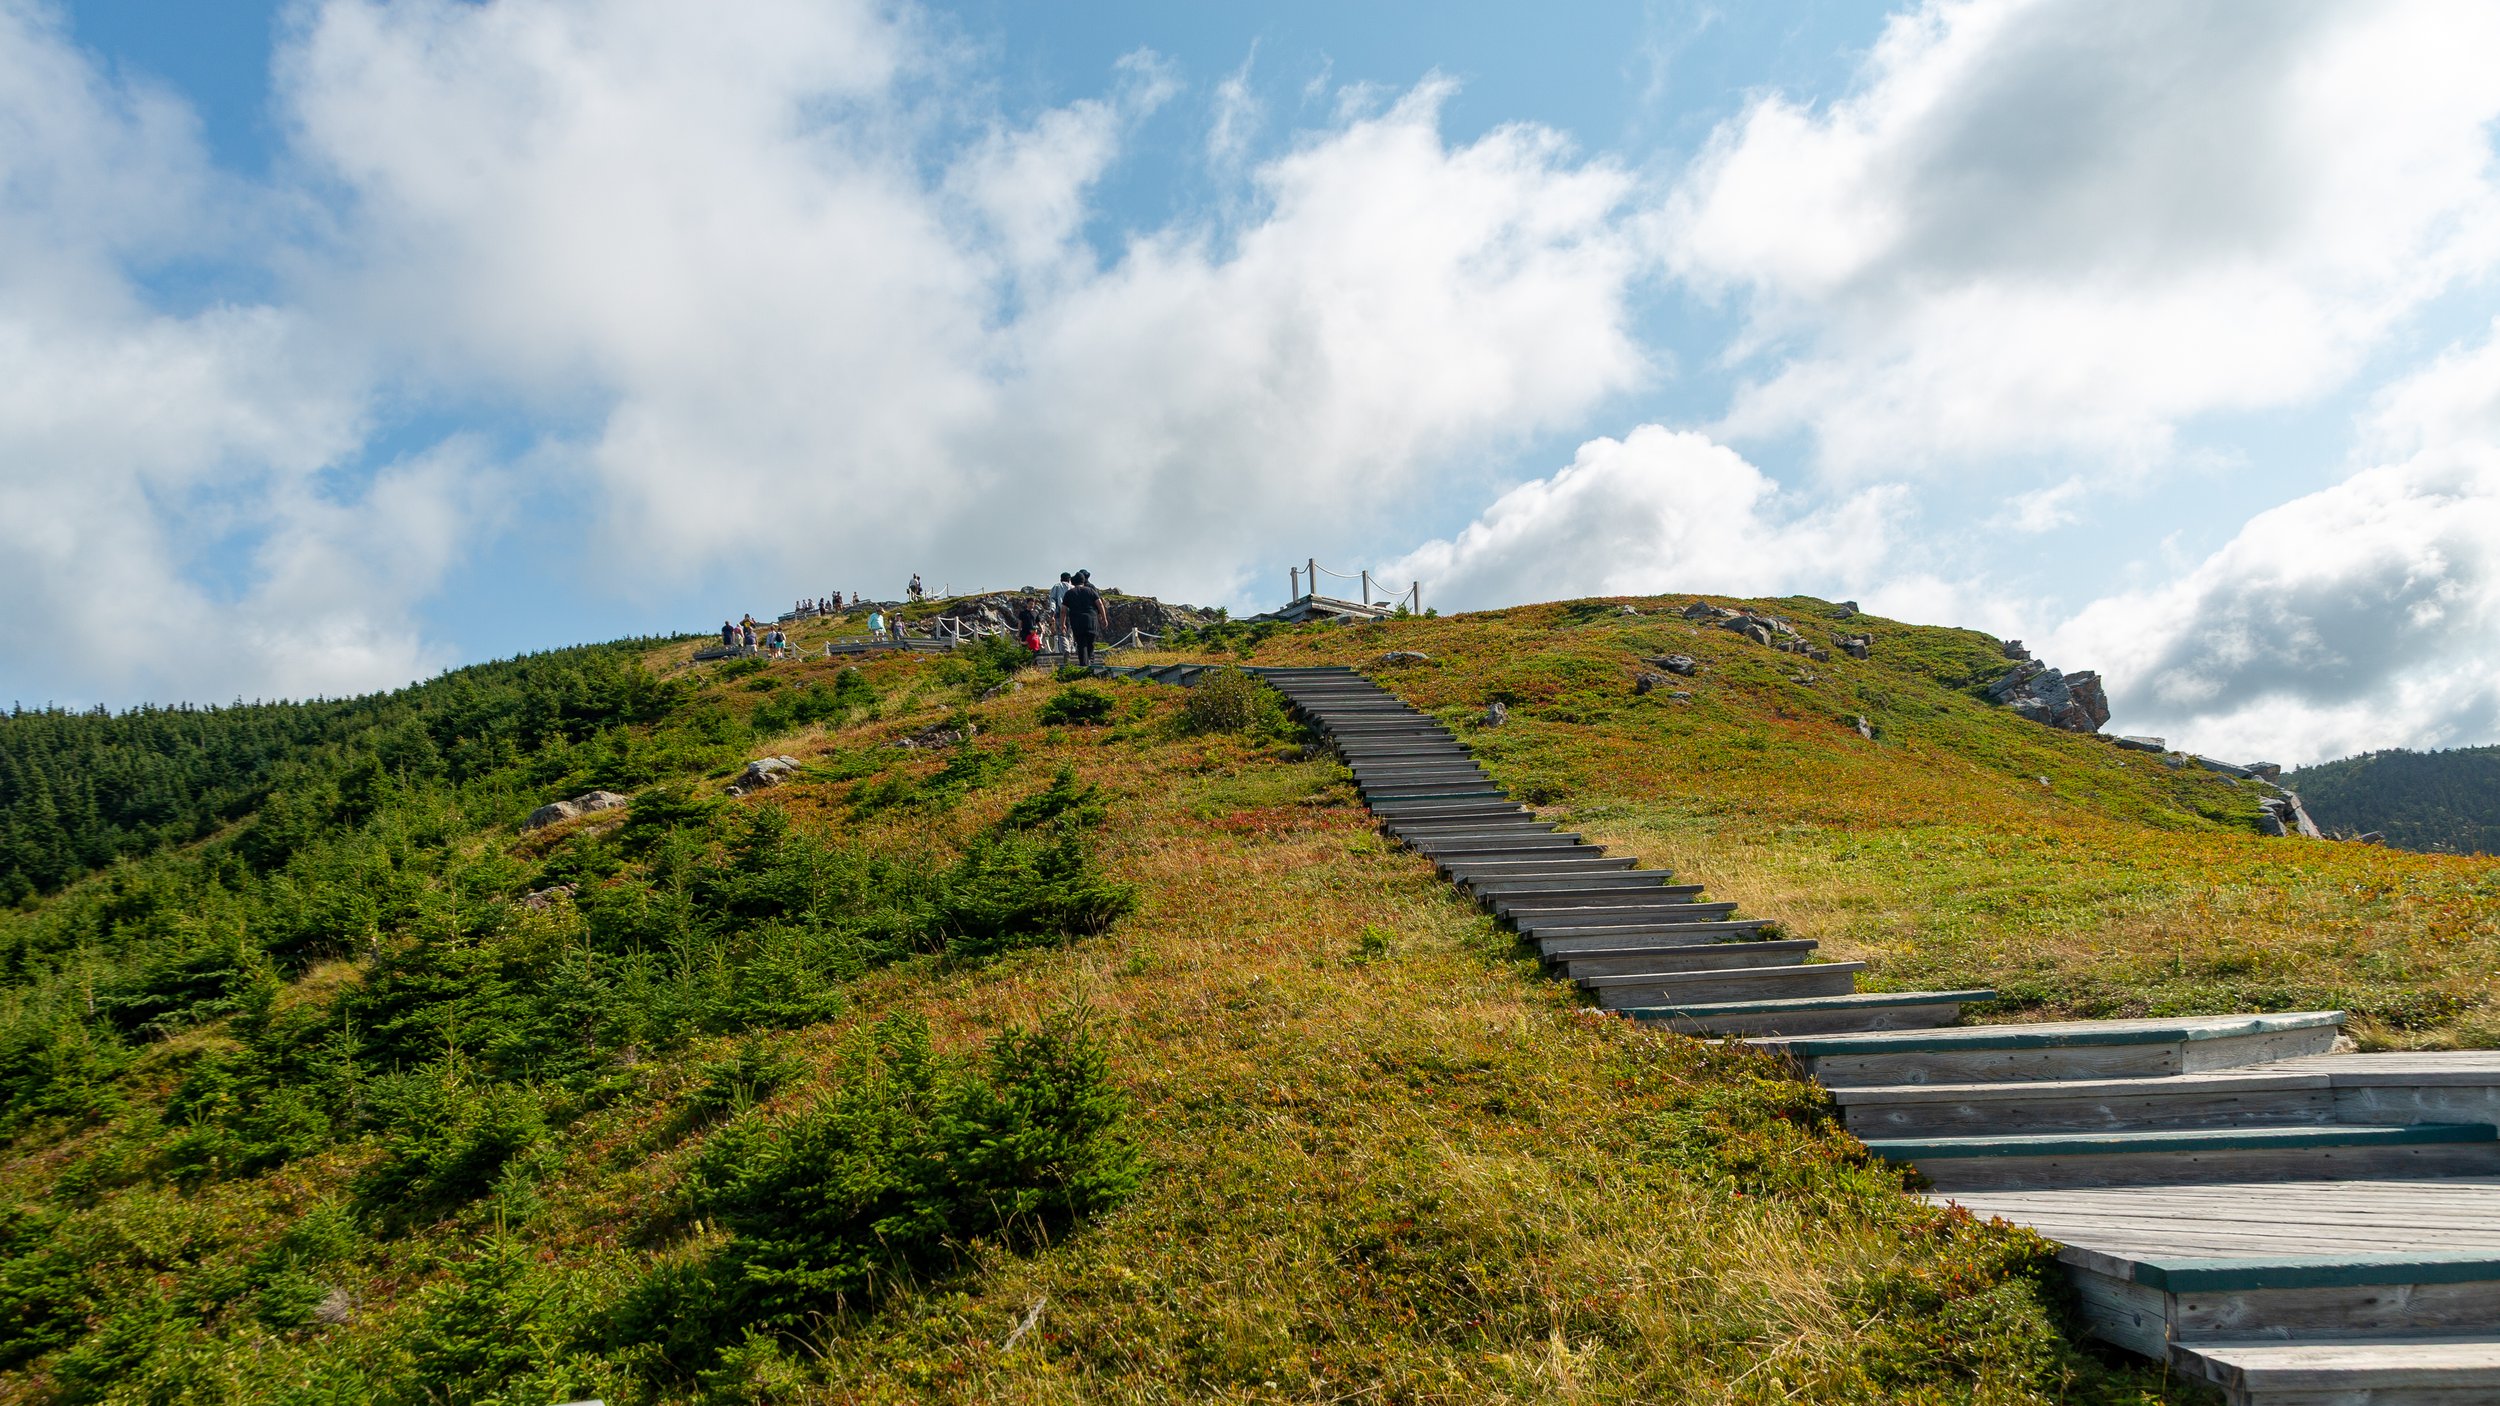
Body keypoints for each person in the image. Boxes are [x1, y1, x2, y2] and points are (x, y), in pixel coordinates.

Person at [1061, 569, 1109, 667]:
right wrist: (1104, 618)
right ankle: (1089, 662)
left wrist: (1063, 624)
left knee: (1081, 643)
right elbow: (1100, 604)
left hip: (1077, 622)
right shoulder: (1090, 590)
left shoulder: (1069, 593)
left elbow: (1063, 610)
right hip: (1091, 620)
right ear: (1083, 581)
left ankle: (1084, 665)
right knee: (1090, 642)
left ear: (1073, 582)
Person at [1047, 571, 1072, 657]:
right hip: (1072, 613)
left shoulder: (1056, 586)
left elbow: (1053, 601)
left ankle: (1066, 650)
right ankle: (1071, 650)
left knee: (1062, 632)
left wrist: (1052, 615)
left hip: (1060, 613)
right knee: (1070, 633)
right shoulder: (1072, 587)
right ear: (1069, 579)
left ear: (1061, 579)